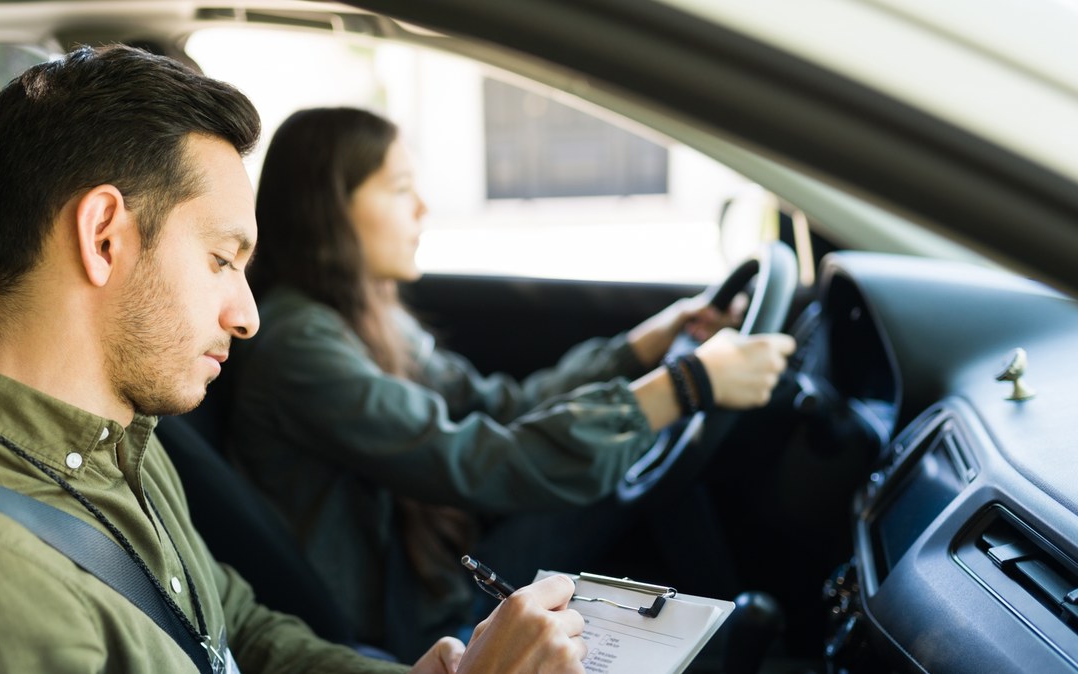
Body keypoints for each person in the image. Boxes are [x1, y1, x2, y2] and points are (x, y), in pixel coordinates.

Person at [0, 46, 589, 673]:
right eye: (221, 259)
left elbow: (231, 631)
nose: (246, 316)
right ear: (104, 237)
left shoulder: (113, 436)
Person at [220, 106, 797, 659]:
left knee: (624, 467)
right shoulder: (300, 346)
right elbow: (479, 459)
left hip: (435, 578)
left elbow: (505, 406)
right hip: (409, 624)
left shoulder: (369, 316)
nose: (423, 208)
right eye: (400, 190)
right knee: (619, 474)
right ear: (330, 208)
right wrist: (683, 387)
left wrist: (643, 347)